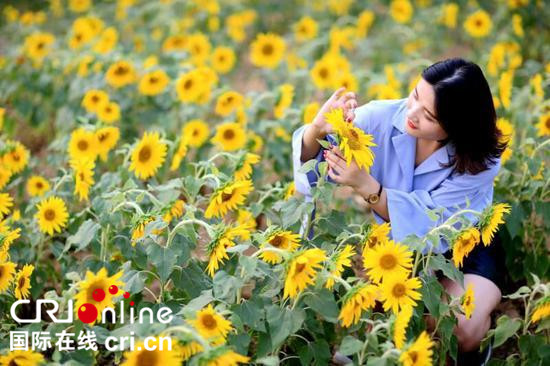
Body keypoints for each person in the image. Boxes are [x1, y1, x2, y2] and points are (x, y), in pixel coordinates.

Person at [291, 58, 508, 363]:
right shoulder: (381, 118)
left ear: (456, 126)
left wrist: (367, 187)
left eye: (429, 115)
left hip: (466, 245)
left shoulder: (480, 161)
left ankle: (483, 334)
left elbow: (432, 227)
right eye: (416, 95)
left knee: (461, 327)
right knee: (374, 309)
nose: (412, 113)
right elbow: (315, 166)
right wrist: (317, 129)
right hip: (401, 248)